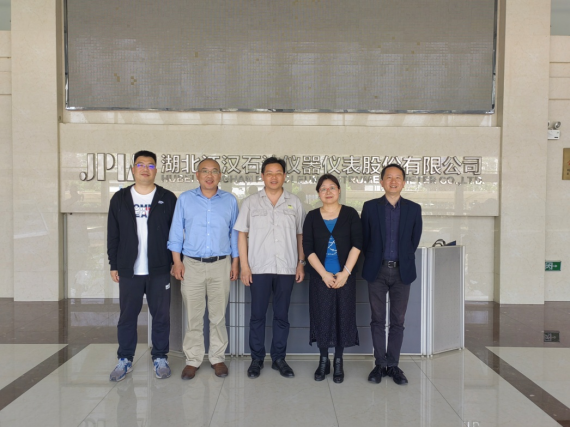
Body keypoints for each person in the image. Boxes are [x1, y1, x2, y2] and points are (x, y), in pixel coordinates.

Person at [107, 150, 178, 382]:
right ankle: (125, 358)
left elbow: (176, 233)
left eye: (150, 165)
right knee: (127, 316)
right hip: (130, 270)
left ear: (156, 170)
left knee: (161, 316)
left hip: (159, 269)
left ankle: (160, 357)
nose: (145, 169)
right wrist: (114, 264)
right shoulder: (120, 199)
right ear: (133, 169)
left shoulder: (167, 198)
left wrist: (175, 261)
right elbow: (113, 234)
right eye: (140, 164)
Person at [234, 157, 307, 379]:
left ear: (284, 176)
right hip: (258, 268)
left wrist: (301, 263)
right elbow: (242, 235)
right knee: (257, 316)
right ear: (262, 176)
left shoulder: (294, 202)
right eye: (269, 173)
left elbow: (300, 235)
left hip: (286, 268)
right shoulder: (250, 202)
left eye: (278, 173)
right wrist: (245, 266)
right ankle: (256, 359)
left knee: (281, 316)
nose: (273, 177)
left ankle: (279, 359)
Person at [169, 158, 240, 380]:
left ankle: (217, 358)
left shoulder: (230, 200)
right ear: (197, 175)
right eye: (205, 171)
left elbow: (235, 234)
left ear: (220, 176)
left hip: (221, 264)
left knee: (218, 316)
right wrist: (177, 261)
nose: (210, 175)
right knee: (194, 316)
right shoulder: (185, 199)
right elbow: (175, 232)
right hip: (191, 264)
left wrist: (235, 262)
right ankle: (193, 360)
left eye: (214, 171)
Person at [361, 164, 423, 386]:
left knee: (398, 320)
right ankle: (380, 364)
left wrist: (401, 260)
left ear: (403, 183)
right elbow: (365, 239)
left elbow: (413, 241)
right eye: (389, 177)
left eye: (398, 178)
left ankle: (393, 365)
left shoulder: (413, 209)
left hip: (401, 272)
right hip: (376, 271)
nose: (393, 181)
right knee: (377, 319)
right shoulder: (370, 207)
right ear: (382, 182)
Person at [303, 175, 363, 384]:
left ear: (339, 190)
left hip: (345, 276)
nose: (328, 192)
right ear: (318, 193)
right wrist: (323, 274)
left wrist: (345, 273)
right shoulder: (312, 216)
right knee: (322, 317)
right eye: (323, 188)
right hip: (320, 277)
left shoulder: (350, 214)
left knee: (342, 317)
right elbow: (308, 248)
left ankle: (338, 361)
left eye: (332, 188)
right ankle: (323, 360)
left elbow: (357, 244)